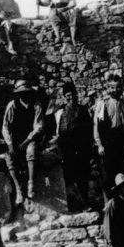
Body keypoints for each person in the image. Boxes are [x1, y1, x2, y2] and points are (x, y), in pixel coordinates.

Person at [53, 81, 94, 212]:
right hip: (66, 150)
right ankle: (72, 205)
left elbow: (89, 130)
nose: (70, 98)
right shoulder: (59, 113)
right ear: (64, 97)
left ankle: (85, 204)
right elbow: (56, 132)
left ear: (76, 95)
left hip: (82, 149)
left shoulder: (83, 110)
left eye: (72, 94)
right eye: (68, 95)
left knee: (83, 178)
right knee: (69, 178)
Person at [2, 80, 44, 209]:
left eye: (26, 93)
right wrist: (9, 143)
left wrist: (27, 140)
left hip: (31, 139)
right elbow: (5, 126)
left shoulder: (37, 105)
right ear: (18, 95)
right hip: (15, 140)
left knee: (31, 151)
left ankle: (31, 182)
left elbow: (39, 126)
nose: (24, 96)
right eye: (21, 93)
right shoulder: (12, 105)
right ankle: (18, 189)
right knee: (9, 157)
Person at [94, 74, 124, 191]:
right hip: (108, 142)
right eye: (112, 87)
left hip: (122, 142)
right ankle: (109, 203)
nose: (115, 90)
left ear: (121, 88)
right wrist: (100, 144)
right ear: (107, 89)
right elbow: (96, 126)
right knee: (108, 174)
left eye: (118, 87)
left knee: (123, 174)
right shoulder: (103, 105)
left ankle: (122, 202)